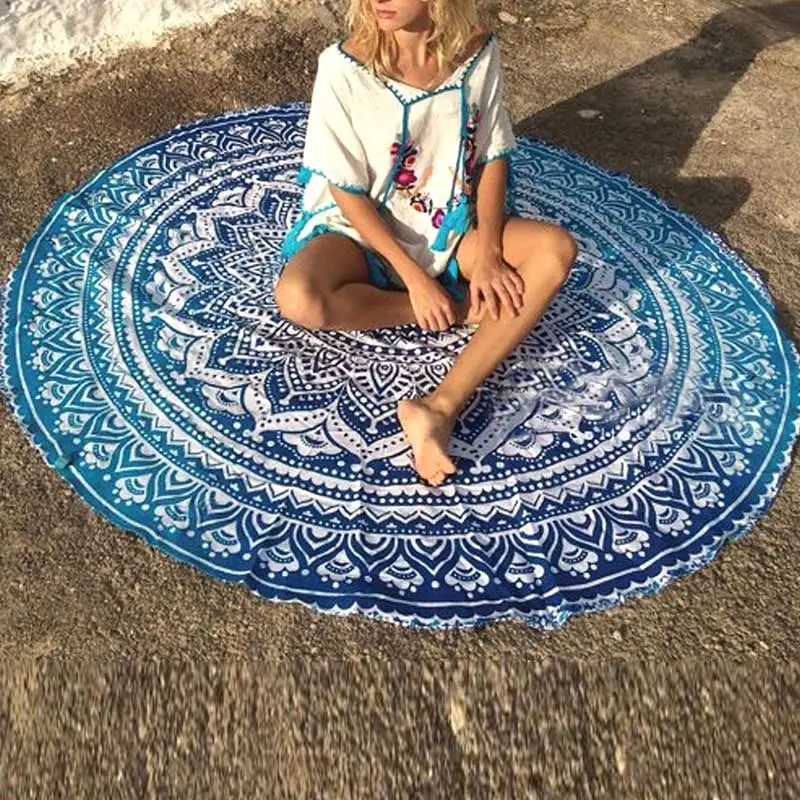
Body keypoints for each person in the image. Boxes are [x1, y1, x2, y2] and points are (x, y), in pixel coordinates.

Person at [276, 0, 578, 486]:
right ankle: (459, 310)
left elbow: (492, 155)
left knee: (555, 251)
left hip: (448, 225)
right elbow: (345, 191)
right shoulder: (342, 68)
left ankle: (439, 407)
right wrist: (417, 283)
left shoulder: (477, 53)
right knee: (298, 298)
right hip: (362, 230)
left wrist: (491, 255)